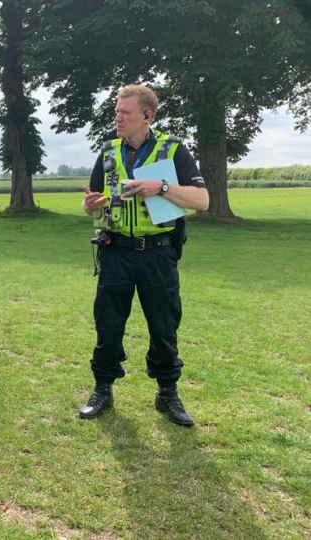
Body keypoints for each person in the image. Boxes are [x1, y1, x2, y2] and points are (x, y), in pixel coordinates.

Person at [80, 84, 209, 426]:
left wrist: (162, 187)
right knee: (108, 324)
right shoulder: (108, 152)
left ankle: (168, 394)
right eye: (116, 112)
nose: (117, 118)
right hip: (115, 251)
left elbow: (202, 201)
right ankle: (102, 390)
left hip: (158, 254)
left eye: (125, 113)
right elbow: (92, 205)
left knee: (164, 326)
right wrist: (89, 205)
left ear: (147, 116)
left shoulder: (173, 150)